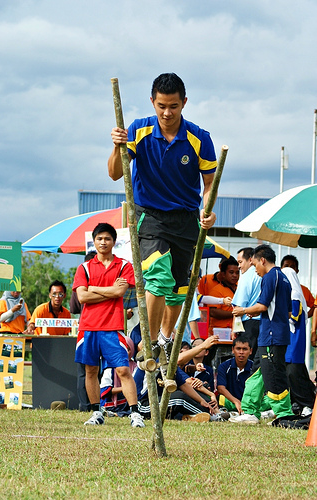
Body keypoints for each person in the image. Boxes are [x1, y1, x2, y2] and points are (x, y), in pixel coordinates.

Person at [108, 72, 217, 364]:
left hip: (185, 218)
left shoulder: (200, 139)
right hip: (150, 216)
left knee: (179, 289)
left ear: (183, 103)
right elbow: (115, 173)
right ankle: (150, 340)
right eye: (161, 106)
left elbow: (209, 186)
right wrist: (117, 146)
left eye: (173, 106)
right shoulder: (138, 130)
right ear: (152, 103)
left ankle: (167, 338)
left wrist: (207, 210)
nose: (167, 113)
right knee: (157, 276)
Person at [73, 223, 144, 428]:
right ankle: (97, 412)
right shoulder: (84, 267)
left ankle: (135, 413)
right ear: (94, 242)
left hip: (113, 327)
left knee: (123, 370)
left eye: (107, 239)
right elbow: (83, 297)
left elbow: (119, 293)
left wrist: (94, 289)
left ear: (114, 242)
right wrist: (108, 290)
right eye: (99, 239)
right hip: (88, 327)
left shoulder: (124, 265)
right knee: (91, 371)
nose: (103, 242)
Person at [230, 244, 294, 425]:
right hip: (274, 333)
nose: (254, 270)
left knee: (273, 373)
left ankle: (284, 414)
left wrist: (243, 310)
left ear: (262, 260)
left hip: (272, 334)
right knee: (259, 370)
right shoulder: (284, 278)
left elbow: (263, 305)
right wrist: (256, 311)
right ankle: (250, 410)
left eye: (254, 264)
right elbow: (286, 310)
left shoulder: (269, 276)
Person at [281, 267, 316, 417]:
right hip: (292, 341)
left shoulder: (294, 295)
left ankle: (307, 403)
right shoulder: (295, 294)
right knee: (295, 373)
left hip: (292, 341)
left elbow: (293, 317)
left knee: (293, 374)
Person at [70, 251, 97, 412]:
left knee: (84, 371)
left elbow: (73, 308)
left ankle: (85, 406)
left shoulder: (79, 281)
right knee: (94, 370)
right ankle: (95, 405)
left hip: (85, 327)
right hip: (96, 327)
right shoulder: (96, 281)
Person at [231, 247, 261, 359]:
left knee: (247, 360)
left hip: (249, 323)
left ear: (250, 260)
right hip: (262, 323)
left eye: (240, 262)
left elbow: (238, 306)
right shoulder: (264, 275)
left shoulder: (247, 276)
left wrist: (234, 329)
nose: (239, 266)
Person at [217, 336, 253, 414]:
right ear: (233, 350)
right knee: (220, 398)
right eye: (238, 349)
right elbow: (220, 388)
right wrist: (236, 401)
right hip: (231, 401)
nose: (241, 352)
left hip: (250, 402)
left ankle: (247, 409)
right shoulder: (224, 366)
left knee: (269, 399)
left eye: (245, 349)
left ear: (250, 351)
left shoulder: (254, 368)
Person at [208, 256, 239, 335]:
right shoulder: (216, 290)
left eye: (237, 272)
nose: (235, 275)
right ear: (223, 274)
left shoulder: (240, 289)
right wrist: (236, 313)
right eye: (231, 272)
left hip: (236, 332)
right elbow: (213, 312)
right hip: (219, 333)